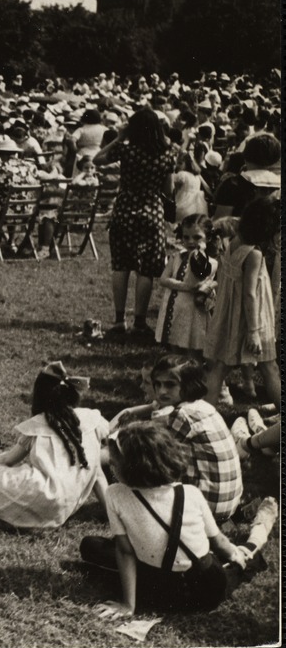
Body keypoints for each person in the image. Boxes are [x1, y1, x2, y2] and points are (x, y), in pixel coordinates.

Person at [80, 423, 277, 618]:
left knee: (91, 545)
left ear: (132, 467)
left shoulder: (114, 494)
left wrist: (128, 605)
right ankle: (253, 538)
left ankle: (258, 532)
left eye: (114, 462)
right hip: (207, 591)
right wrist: (233, 554)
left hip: (155, 593)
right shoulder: (190, 493)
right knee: (241, 558)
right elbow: (219, 543)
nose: (111, 465)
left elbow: (124, 551)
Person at [0, 362, 109, 529]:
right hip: (63, 508)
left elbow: (8, 459)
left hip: (40, 492)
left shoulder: (38, 425)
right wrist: (113, 515)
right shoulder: (92, 421)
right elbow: (98, 476)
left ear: (38, 397)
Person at [93, 108, 179, 337]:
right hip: (151, 211)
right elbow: (168, 190)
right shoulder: (169, 153)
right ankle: (139, 322)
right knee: (147, 269)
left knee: (121, 265)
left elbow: (97, 159)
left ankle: (119, 320)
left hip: (124, 209)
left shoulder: (126, 150)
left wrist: (119, 138)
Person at [203, 197, 280, 408]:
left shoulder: (234, 242)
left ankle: (204, 411)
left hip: (231, 317)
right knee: (269, 366)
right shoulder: (253, 254)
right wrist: (254, 331)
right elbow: (249, 294)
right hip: (252, 319)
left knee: (220, 366)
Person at [150, 356, 242, 521]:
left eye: (170, 384)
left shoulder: (183, 415)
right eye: (158, 384)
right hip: (226, 503)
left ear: (189, 385)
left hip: (206, 510)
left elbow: (154, 455)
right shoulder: (203, 406)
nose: (162, 391)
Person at [155, 214, 216, 356]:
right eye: (186, 237)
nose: (190, 242)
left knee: (192, 344)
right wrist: (185, 287)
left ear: (208, 238)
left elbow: (198, 280)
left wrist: (198, 254)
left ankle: (193, 373)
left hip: (194, 310)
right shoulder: (176, 257)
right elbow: (163, 279)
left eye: (197, 237)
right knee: (174, 342)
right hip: (175, 306)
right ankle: (177, 370)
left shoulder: (211, 262)